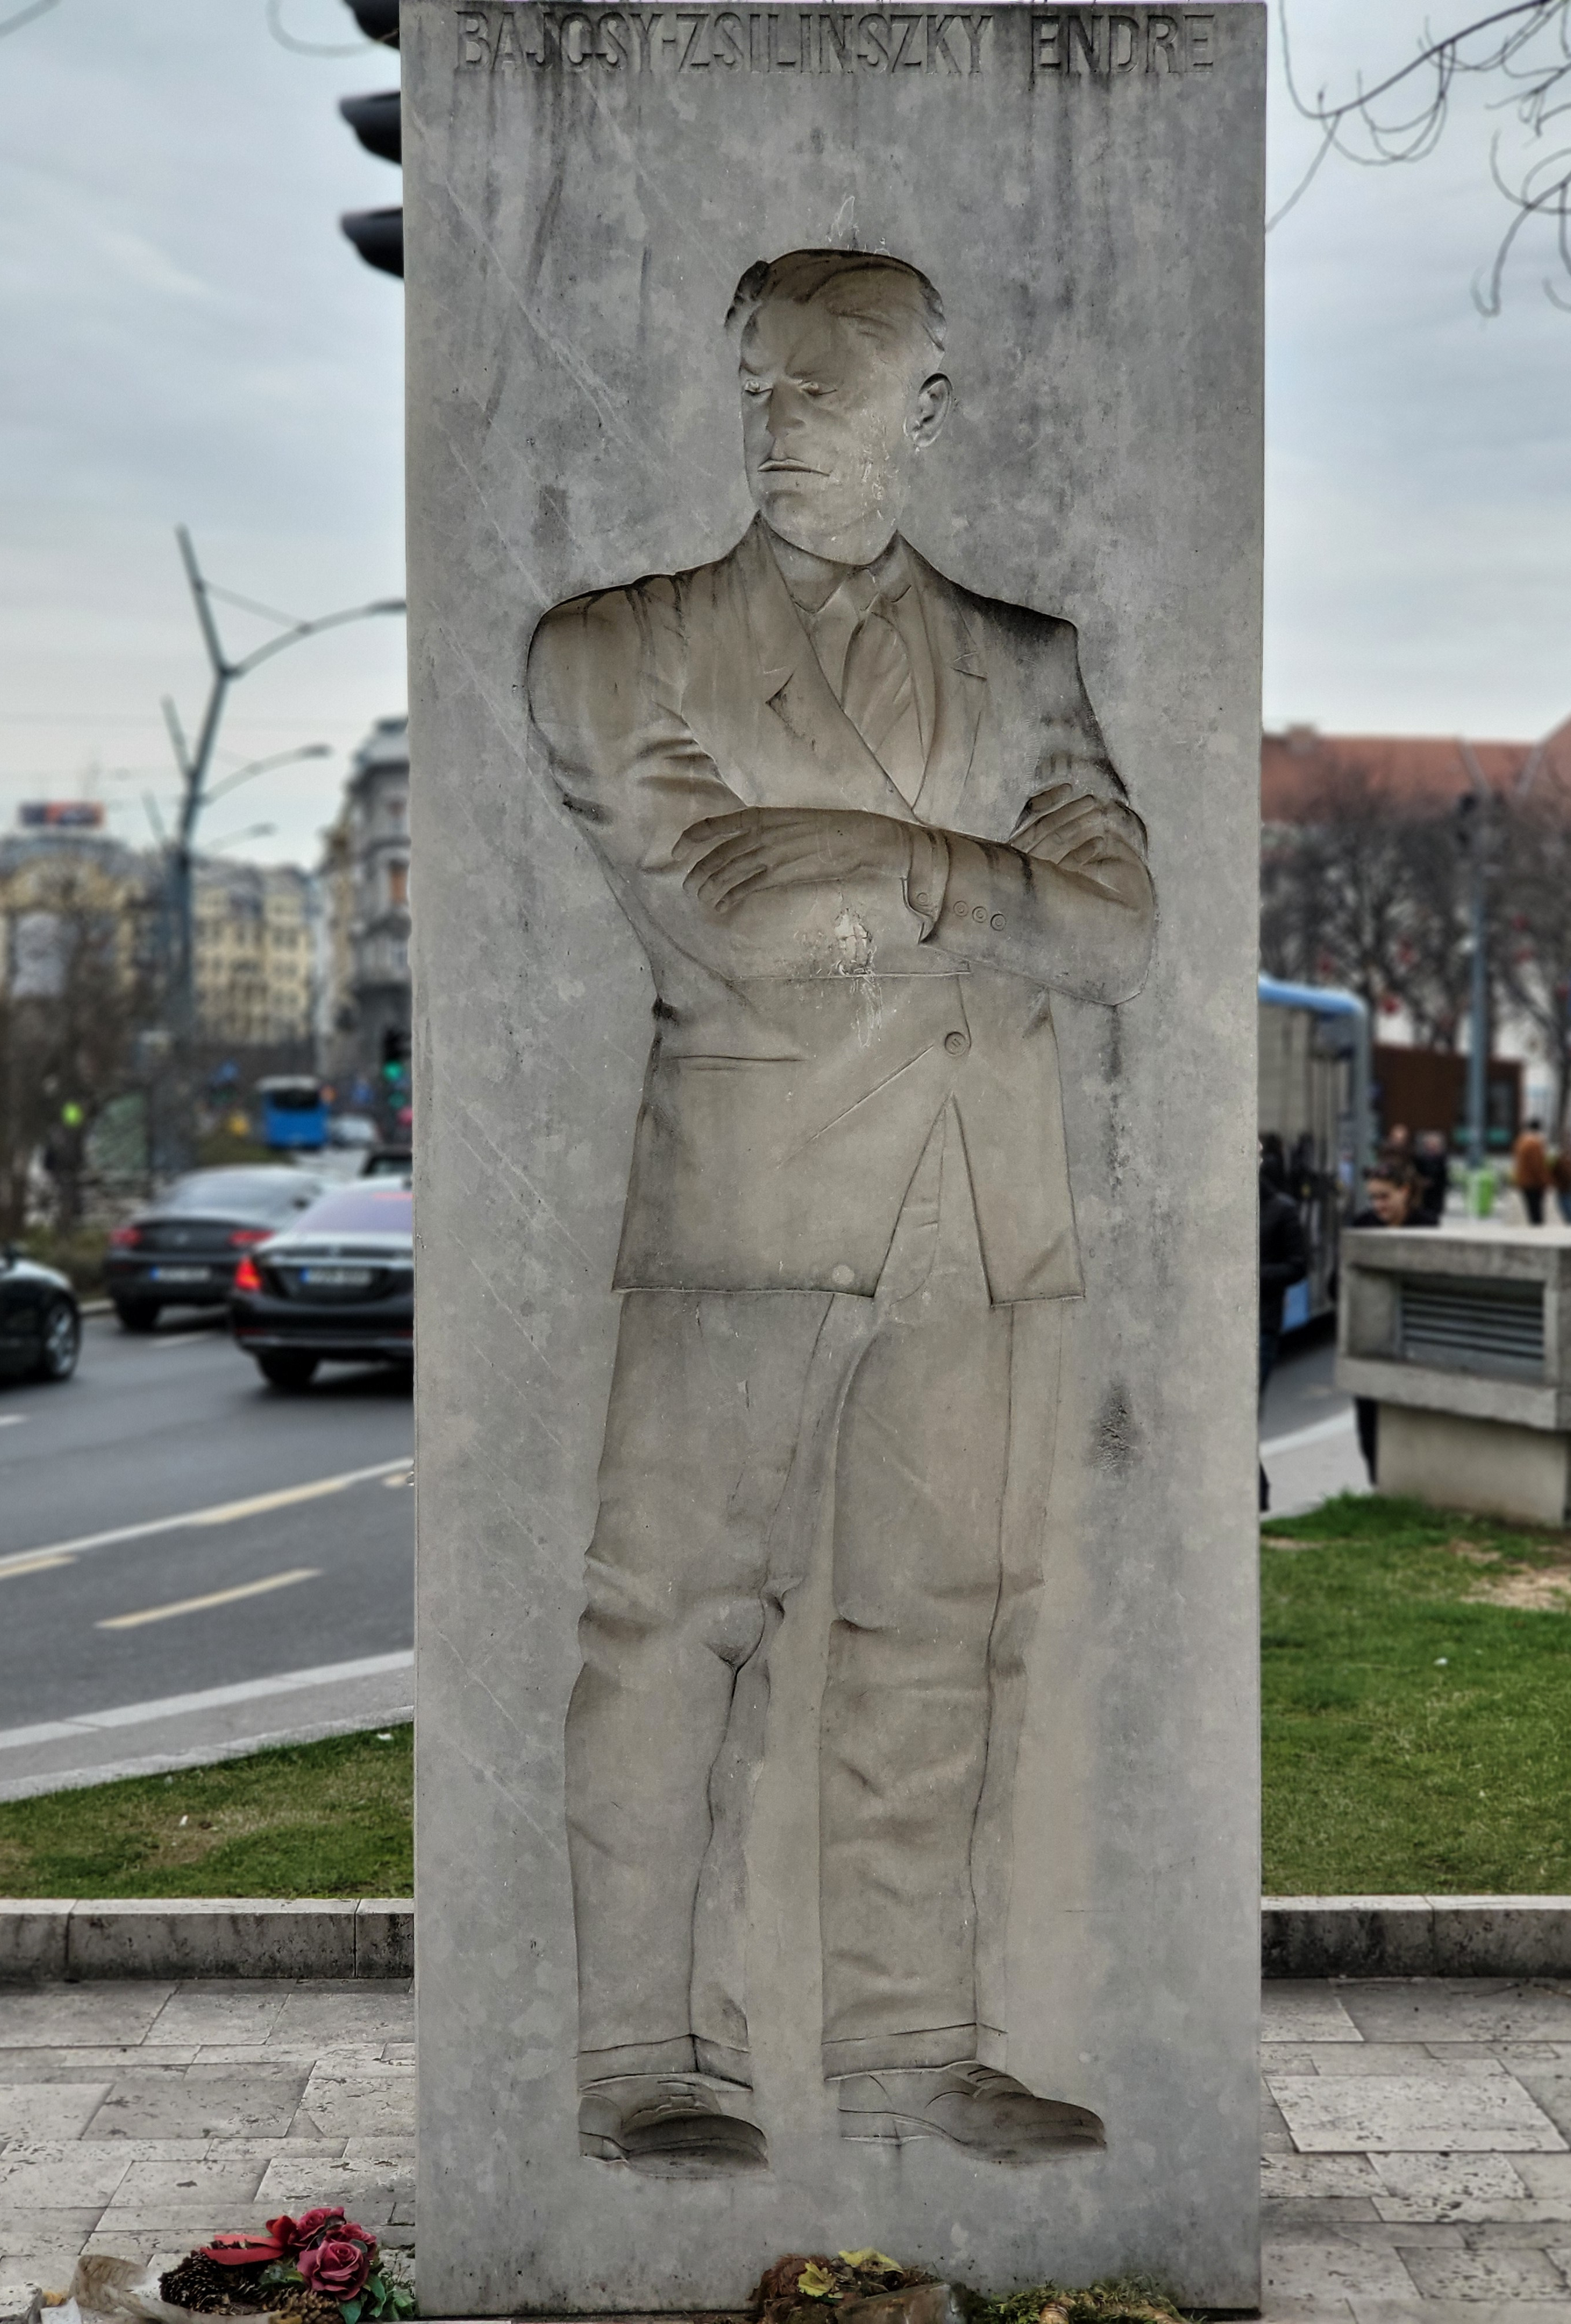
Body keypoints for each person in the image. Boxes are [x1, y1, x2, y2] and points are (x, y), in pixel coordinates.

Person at [528, 249, 1153, 2173]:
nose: (784, 423)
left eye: (830, 387)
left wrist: (898, 860)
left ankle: (912, 2053)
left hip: (979, 1202)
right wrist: (986, 892)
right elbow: (734, 923)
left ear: (923, 412)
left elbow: (1121, 935)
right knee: (670, 1621)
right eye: (762, 387)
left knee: (941, 1628)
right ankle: (646, 2054)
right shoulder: (613, 649)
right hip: (750, 1200)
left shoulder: (1028, 661)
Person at [1348, 1157, 1435, 1484]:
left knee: (1412, 1421)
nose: (1378, 1205)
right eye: (1373, 1197)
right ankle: (1378, 1485)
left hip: (1415, 1339)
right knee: (1368, 1423)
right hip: (1371, 1336)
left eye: (1385, 1196)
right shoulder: (1362, 1225)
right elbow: (1337, 1284)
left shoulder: (1426, 1226)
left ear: (1405, 1192)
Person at [1258, 1153, 1308, 1514]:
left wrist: (1252, 1274)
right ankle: (1254, 1493)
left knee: (1242, 1412)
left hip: (1262, 1325)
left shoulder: (1281, 1209)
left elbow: (1298, 1266)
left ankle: (1255, 1496)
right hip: (1224, 1327)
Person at [1511, 1117, 1551, 1226]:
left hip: (1523, 1180)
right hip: (1534, 1182)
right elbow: (1537, 1165)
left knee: (1531, 1207)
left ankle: (1534, 1226)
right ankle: (1537, 1229)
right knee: (1537, 1208)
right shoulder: (1535, 1144)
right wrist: (1545, 1180)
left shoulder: (1521, 1141)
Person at [1413, 1128, 1449, 1225]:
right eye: (1430, 1143)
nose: (1431, 1146)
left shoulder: (1442, 1160)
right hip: (1424, 1195)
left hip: (1436, 1193)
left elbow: (1443, 1177)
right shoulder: (1420, 1159)